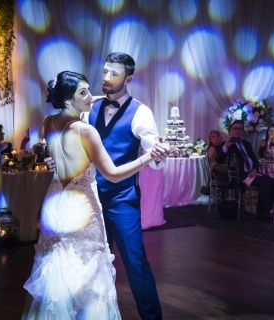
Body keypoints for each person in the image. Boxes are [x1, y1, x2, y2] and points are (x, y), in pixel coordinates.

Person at [22, 71, 169, 319]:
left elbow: (59, 152)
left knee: (60, 266)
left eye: (89, 90)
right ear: (68, 100)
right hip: (82, 207)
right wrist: (148, 157)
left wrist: (92, 97)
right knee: (89, 273)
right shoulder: (85, 130)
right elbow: (112, 174)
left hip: (57, 201)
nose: (91, 96)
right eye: (84, 93)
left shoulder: (48, 122)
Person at [87, 52, 166, 319]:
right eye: (105, 72)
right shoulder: (90, 107)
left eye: (114, 74)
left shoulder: (141, 111)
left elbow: (153, 155)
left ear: (128, 79)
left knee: (135, 262)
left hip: (122, 198)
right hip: (89, 198)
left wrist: (158, 153)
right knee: (91, 262)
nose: (106, 78)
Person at [218, 120, 274, 221]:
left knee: (273, 182)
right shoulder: (226, 145)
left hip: (252, 173)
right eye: (235, 128)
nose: (238, 131)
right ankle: (261, 214)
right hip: (240, 176)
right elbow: (220, 159)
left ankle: (266, 210)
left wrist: (254, 169)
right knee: (266, 183)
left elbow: (255, 160)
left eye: (240, 128)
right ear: (230, 131)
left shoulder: (246, 144)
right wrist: (226, 147)